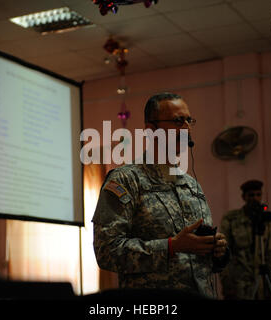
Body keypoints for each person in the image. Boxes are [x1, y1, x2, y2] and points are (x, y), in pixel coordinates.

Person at [92, 93, 229, 299]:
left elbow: (201, 258)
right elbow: (107, 252)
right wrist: (171, 247)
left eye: (189, 120)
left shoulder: (192, 185)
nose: (186, 127)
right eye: (177, 121)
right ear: (151, 130)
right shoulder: (126, 180)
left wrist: (217, 250)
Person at [220, 180, 271, 300]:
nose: (255, 198)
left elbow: (269, 253)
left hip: (261, 280)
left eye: (258, 194)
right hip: (239, 281)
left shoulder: (264, 220)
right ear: (243, 197)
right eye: (251, 195)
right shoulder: (231, 219)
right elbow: (224, 252)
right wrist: (227, 284)